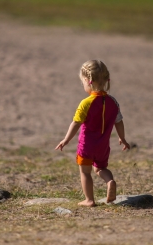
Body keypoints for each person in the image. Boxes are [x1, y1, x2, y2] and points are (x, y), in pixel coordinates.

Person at [55, 60, 130, 207]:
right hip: (103, 147)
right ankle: (110, 181)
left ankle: (89, 200)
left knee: (85, 172)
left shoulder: (86, 103)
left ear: (87, 81)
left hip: (87, 146)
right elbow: (119, 122)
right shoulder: (113, 102)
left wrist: (66, 139)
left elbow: (76, 123)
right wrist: (122, 138)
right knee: (100, 168)